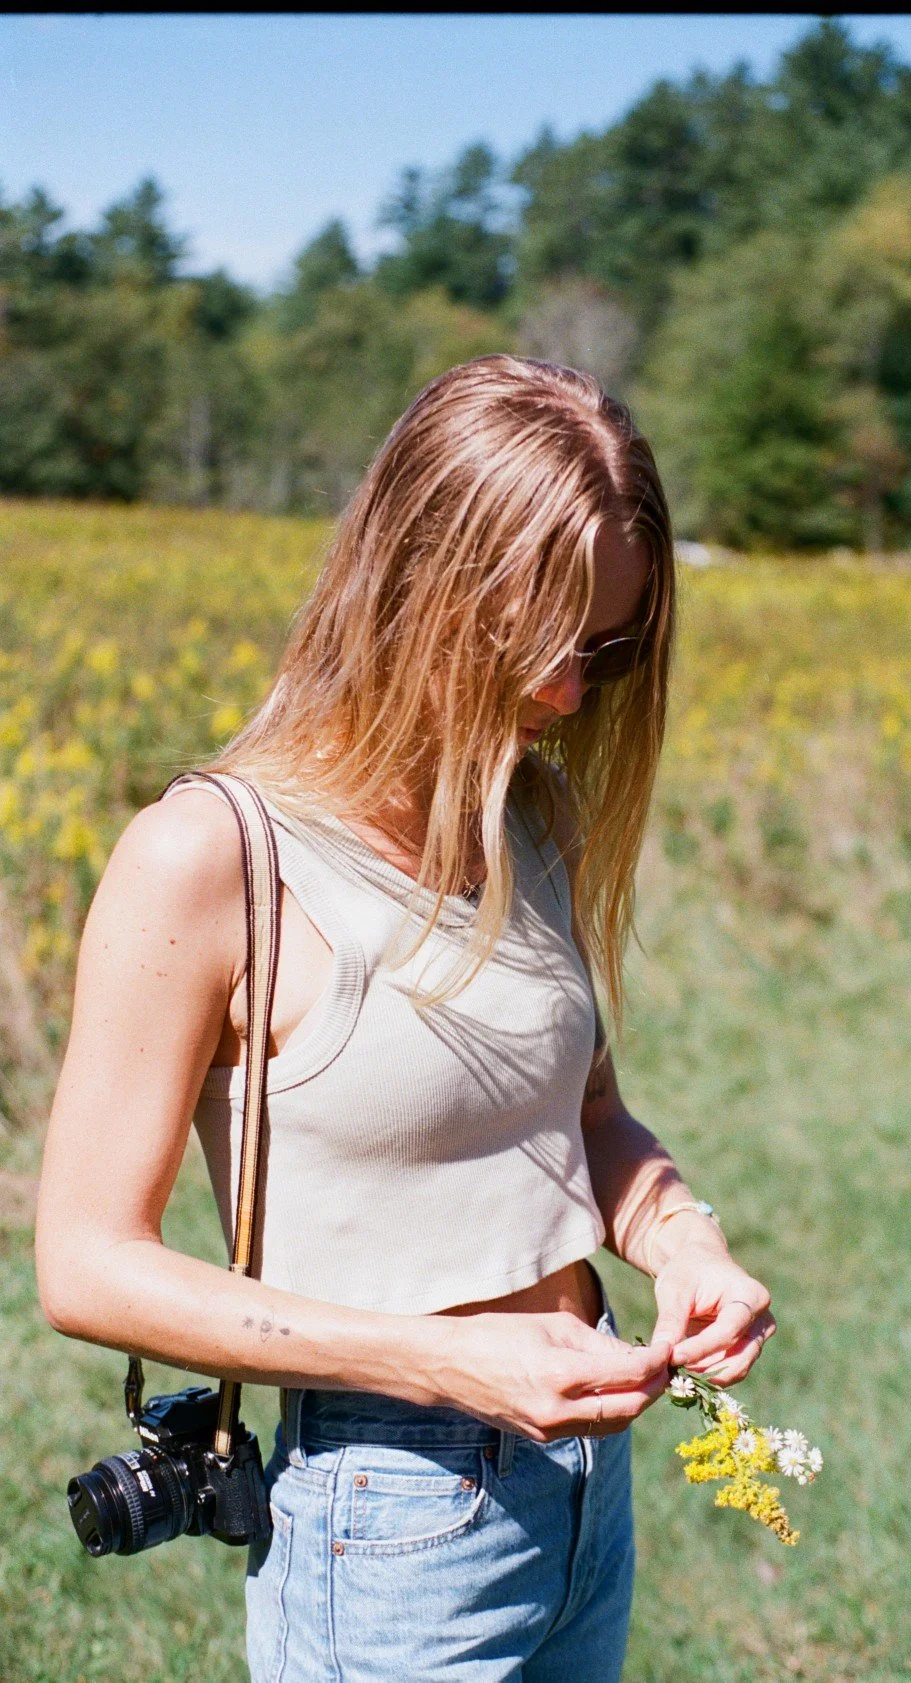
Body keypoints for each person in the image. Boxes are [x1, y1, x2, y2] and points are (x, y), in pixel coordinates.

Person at [35, 355, 775, 1682]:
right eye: (535, 636)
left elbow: (585, 1117)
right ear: (415, 578)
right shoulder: (210, 857)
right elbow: (86, 1264)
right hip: (389, 1508)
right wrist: (446, 1366)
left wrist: (685, 1240)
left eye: (606, 649)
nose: (565, 691)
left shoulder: (527, 813)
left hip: (584, 1480)